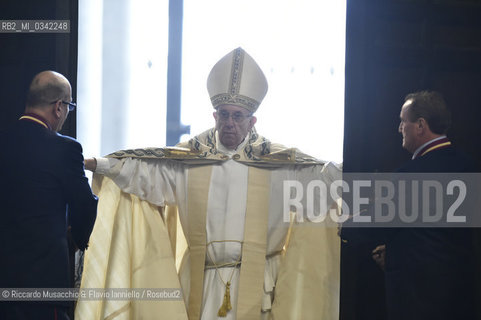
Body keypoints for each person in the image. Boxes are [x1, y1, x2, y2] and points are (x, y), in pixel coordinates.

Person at [76, 48, 342, 320]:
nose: (229, 123)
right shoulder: (191, 158)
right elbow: (146, 172)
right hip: (200, 282)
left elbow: (321, 182)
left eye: (237, 116)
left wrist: (352, 171)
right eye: (223, 114)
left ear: (252, 121)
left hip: (261, 286)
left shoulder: (278, 164)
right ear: (214, 116)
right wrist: (99, 164)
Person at [342, 90, 476, 320]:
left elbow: (379, 222)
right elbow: (438, 234)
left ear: (420, 125)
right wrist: (395, 251)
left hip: (420, 301)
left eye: (403, 121)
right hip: (462, 296)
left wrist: (345, 225)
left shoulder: (411, 174)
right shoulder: (468, 166)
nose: (399, 128)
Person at [0, 71, 98, 320]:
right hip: (42, 286)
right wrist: (76, 239)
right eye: (70, 106)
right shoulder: (64, 148)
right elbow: (85, 205)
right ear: (59, 107)